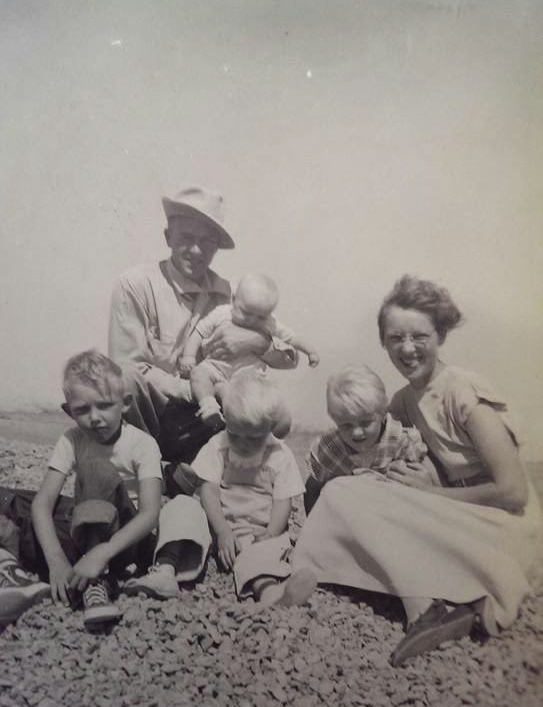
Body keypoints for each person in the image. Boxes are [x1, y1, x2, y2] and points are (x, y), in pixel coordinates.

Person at [277, 275, 542, 667]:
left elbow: (514, 493)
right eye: (395, 338)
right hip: (456, 517)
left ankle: (433, 602)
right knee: (348, 490)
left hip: (502, 526)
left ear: (441, 335)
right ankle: (444, 597)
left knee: (347, 495)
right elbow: (365, 442)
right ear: (383, 341)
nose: (408, 348)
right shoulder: (403, 401)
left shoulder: (464, 392)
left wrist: (429, 495)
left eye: (420, 336)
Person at [108, 187, 298, 470]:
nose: (196, 251)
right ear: (168, 237)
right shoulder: (135, 284)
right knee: (124, 380)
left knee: (269, 403)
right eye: (186, 238)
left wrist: (259, 344)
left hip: (207, 419)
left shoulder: (233, 294)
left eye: (207, 242)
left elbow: (291, 358)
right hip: (156, 413)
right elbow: (129, 367)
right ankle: (144, 465)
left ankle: (214, 474)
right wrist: (200, 390)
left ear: (216, 247)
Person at [0, 350, 163, 629]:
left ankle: (95, 585)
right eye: (82, 410)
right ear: (68, 411)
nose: (95, 418)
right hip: (82, 525)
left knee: (95, 469)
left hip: (125, 541)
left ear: (124, 404)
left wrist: (102, 552)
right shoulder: (72, 438)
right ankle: (10, 569)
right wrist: (56, 561)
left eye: (104, 406)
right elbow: (43, 502)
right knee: (7, 497)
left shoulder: (142, 444)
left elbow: (150, 514)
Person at [125, 368, 305, 605]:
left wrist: (271, 532)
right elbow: (209, 490)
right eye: (235, 434)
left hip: (256, 527)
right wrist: (221, 531)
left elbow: (283, 500)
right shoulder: (219, 444)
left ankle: (269, 592)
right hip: (214, 520)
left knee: (260, 553)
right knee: (181, 506)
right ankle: (165, 571)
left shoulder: (280, 454)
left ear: (269, 429)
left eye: (253, 438)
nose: (242, 443)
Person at [179, 273, 319, 431]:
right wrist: (189, 356)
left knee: (257, 402)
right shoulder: (222, 313)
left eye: (260, 317)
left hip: (247, 377)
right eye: (246, 313)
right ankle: (208, 405)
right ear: (233, 300)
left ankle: (257, 422)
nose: (252, 320)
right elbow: (199, 332)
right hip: (216, 368)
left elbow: (291, 338)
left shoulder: (270, 322)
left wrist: (310, 351)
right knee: (198, 374)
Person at [304, 363, 434, 514]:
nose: (357, 433)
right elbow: (313, 488)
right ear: (335, 420)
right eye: (346, 425)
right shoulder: (329, 448)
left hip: (395, 512)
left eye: (365, 423)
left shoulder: (402, 441)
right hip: (350, 515)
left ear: (382, 413)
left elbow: (421, 490)